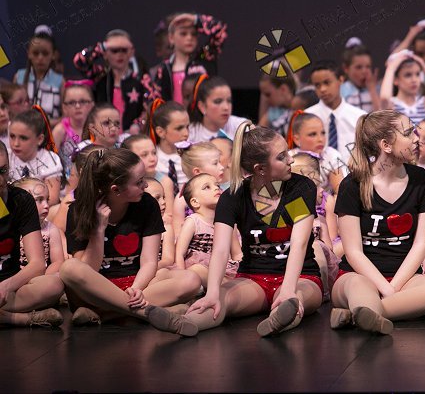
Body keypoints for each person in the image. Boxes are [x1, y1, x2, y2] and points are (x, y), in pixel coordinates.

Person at [161, 123, 323, 337]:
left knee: (292, 301)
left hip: (301, 277)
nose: (290, 160)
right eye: (282, 157)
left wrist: (288, 289)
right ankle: (186, 323)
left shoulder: (299, 187)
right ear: (260, 169)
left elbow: (299, 244)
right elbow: (220, 250)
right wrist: (212, 292)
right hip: (254, 277)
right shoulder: (233, 197)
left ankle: (279, 320)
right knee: (219, 301)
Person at [330, 111, 425, 334]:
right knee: (357, 286)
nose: (416, 139)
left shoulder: (422, 181)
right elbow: (354, 252)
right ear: (386, 145)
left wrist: (393, 287)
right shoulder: (353, 185)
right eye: (408, 133)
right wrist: (385, 288)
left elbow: (420, 244)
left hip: (404, 278)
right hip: (359, 275)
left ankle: (359, 315)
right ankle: (368, 310)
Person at [58, 148, 202, 329]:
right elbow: (87, 270)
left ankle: (106, 314)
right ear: (116, 189)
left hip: (138, 284)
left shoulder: (147, 204)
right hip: (97, 289)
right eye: (139, 182)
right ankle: (146, 312)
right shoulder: (79, 210)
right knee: (69, 268)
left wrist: (136, 289)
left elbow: (149, 261)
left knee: (191, 280)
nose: (146, 185)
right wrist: (98, 231)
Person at [0, 141, 64, 328]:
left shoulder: (20, 200)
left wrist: (6, 286)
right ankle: (20, 319)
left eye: (3, 171)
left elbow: (37, 264)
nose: (1, 180)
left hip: (11, 288)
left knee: (53, 285)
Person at [73, 29, 151, 131]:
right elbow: (79, 62)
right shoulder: (100, 75)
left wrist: (138, 124)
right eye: (114, 50)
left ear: (131, 52)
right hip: (103, 134)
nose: (120, 54)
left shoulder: (141, 79)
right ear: (105, 54)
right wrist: (102, 46)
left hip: (131, 136)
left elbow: (152, 106)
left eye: (124, 49)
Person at [149, 13, 228, 103]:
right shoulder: (163, 70)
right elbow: (157, 102)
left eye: (194, 34)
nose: (189, 38)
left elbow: (220, 30)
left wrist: (196, 19)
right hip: (174, 112)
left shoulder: (204, 58)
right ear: (171, 38)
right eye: (183, 34)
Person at [305, 61, 367, 157]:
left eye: (327, 83)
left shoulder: (359, 117)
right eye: (317, 85)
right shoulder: (306, 117)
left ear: (341, 80)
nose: (322, 89)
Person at [379, 50, 425, 124]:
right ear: (395, 80)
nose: (414, 80)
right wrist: (391, 68)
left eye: (417, 74)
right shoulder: (392, 105)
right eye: (408, 75)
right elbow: (384, 98)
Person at [7, 107, 62, 206]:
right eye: (12, 136)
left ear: (40, 139)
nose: (16, 143)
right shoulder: (6, 157)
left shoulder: (50, 159)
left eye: (23, 138)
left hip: (41, 210)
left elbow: (52, 200)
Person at [13, 30, 63, 121]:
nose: (40, 58)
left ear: (53, 55)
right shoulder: (19, 77)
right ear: (28, 53)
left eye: (45, 53)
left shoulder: (60, 81)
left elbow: (65, 116)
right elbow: (12, 110)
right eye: (35, 53)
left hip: (51, 129)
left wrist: (45, 124)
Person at [186, 75, 248, 143]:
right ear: (202, 107)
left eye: (229, 101)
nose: (226, 107)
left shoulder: (242, 126)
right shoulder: (190, 134)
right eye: (218, 101)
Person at [340, 38, 380, 113]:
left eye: (368, 66)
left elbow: (383, 115)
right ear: (346, 68)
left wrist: (372, 90)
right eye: (358, 67)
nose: (364, 71)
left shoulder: (378, 89)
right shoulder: (340, 91)